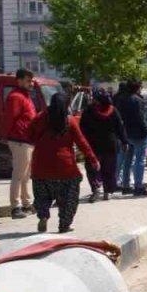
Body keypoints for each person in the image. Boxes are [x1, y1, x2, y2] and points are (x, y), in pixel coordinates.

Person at [28, 93, 98, 234]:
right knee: (69, 197)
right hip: (65, 167)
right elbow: (82, 142)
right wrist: (92, 159)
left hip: (41, 165)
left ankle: (43, 216)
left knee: (42, 196)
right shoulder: (70, 121)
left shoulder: (40, 118)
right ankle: (64, 225)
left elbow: (29, 135)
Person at [80, 88, 128, 202]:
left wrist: (83, 144)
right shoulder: (113, 110)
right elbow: (120, 128)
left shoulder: (89, 111)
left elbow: (82, 128)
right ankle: (107, 191)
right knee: (109, 169)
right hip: (110, 144)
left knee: (92, 168)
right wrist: (124, 141)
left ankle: (96, 189)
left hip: (93, 145)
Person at [4, 68, 38, 219]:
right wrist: (4, 135)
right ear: (19, 81)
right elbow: (9, 118)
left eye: (32, 80)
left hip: (27, 140)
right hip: (19, 140)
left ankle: (26, 203)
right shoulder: (16, 97)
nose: (31, 83)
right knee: (18, 174)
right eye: (28, 80)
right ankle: (15, 207)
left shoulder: (25, 96)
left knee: (26, 175)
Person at [115, 81, 147, 196]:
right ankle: (138, 186)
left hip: (126, 133)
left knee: (128, 160)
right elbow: (141, 118)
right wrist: (145, 130)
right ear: (137, 88)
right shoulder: (138, 100)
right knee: (139, 160)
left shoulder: (121, 99)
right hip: (138, 133)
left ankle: (126, 185)